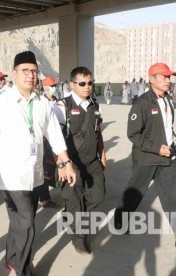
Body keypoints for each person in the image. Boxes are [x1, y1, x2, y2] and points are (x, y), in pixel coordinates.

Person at [0, 51, 76, 276]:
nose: (31, 75)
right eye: (25, 71)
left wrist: (66, 162)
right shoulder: (1, 104)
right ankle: (20, 270)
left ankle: (12, 258)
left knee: (21, 221)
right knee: (26, 224)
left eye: (34, 71)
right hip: (9, 174)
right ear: (14, 74)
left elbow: (55, 136)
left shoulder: (42, 103)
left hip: (34, 173)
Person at [113, 63, 176, 255]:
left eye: (169, 77)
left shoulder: (167, 100)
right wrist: (157, 148)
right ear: (152, 79)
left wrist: (172, 135)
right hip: (146, 160)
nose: (168, 80)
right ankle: (120, 221)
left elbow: (165, 125)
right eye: (164, 77)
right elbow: (133, 134)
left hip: (168, 159)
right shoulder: (142, 103)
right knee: (134, 195)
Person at [54, 66, 107, 254]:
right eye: (82, 83)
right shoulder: (62, 106)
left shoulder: (94, 104)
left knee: (98, 195)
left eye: (90, 83)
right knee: (75, 201)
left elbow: (97, 130)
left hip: (92, 161)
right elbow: (54, 137)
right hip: (71, 163)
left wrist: (102, 152)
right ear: (72, 85)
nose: (87, 87)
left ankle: (73, 216)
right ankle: (79, 238)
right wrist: (61, 164)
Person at [39, 76, 59, 208]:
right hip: (44, 141)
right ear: (45, 88)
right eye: (52, 86)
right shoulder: (40, 102)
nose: (54, 88)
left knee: (53, 168)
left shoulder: (58, 101)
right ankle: (44, 199)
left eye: (54, 85)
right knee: (45, 170)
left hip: (56, 140)